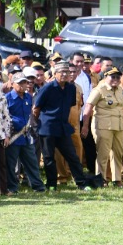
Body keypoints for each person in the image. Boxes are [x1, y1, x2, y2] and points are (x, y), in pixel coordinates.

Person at [32, 63, 91, 191]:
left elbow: (70, 105)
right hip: (47, 127)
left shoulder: (71, 88)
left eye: (67, 72)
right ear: (54, 74)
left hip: (63, 127)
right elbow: (36, 108)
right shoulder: (47, 88)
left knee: (72, 156)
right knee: (48, 157)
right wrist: (40, 123)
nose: (65, 74)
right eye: (61, 72)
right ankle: (52, 184)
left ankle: (81, 183)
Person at [85, 67, 123, 185]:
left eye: (118, 77)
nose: (115, 79)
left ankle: (117, 179)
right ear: (105, 77)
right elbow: (88, 108)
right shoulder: (99, 90)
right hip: (103, 126)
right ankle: (101, 179)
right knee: (103, 154)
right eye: (112, 77)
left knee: (118, 153)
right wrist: (85, 126)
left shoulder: (119, 89)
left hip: (118, 126)